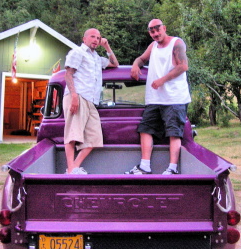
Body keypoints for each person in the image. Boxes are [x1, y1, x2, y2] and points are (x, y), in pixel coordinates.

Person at [125, 19, 191, 175]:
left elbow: (183, 66)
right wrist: (135, 65)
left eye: (157, 30)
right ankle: (145, 166)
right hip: (154, 98)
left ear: (164, 28)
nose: (155, 33)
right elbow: (141, 59)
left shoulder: (176, 43)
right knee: (145, 129)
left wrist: (162, 80)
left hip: (174, 98)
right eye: (152, 31)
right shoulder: (153, 46)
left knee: (174, 133)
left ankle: (172, 168)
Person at [63, 28, 119, 174]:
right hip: (78, 95)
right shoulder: (77, 52)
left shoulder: (96, 58)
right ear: (84, 39)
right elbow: (68, 74)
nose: (96, 40)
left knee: (94, 138)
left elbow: (115, 64)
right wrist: (74, 96)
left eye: (98, 38)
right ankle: (71, 169)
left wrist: (107, 47)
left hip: (91, 100)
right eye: (93, 37)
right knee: (73, 133)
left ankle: (73, 168)